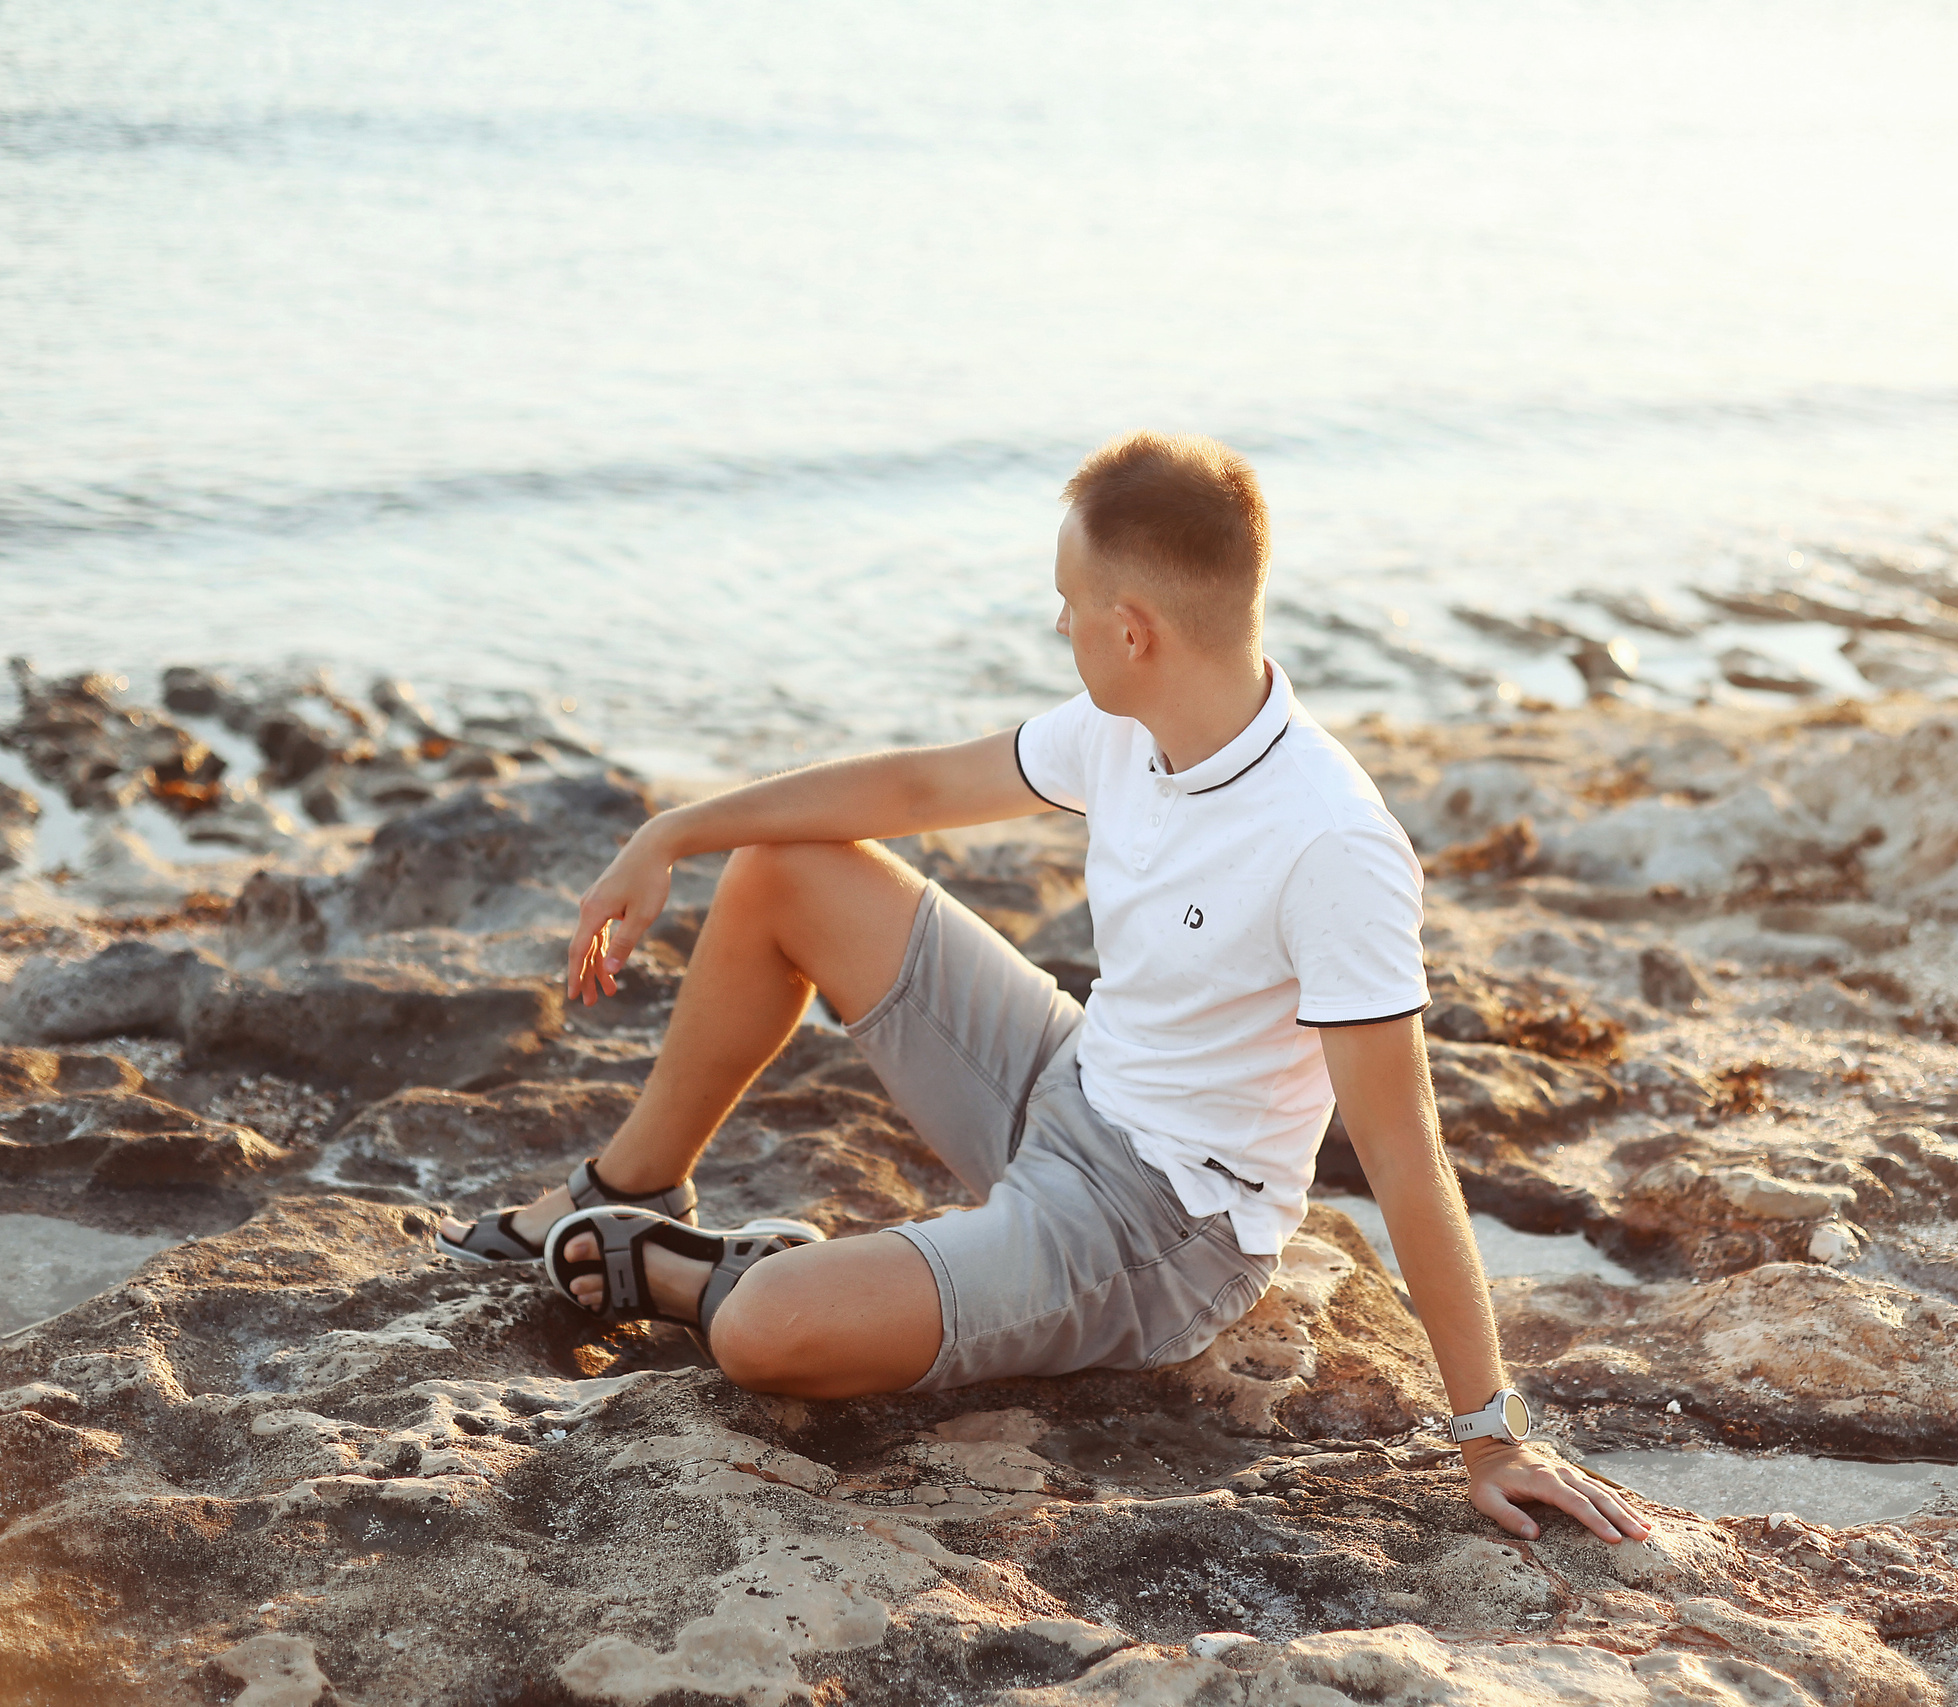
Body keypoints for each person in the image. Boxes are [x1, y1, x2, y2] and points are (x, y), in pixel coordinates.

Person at [436, 432, 1650, 1545]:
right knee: (779, 871)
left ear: (1132, 629)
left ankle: (710, 1272)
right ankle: (627, 1185)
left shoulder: (1329, 844)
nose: (1056, 626)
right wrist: (676, 830)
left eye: (1065, 607)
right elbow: (911, 792)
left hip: (1156, 1231)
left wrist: (1489, 1434)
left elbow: (1404, 1147)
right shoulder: (1131, 727)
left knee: (763, 1334)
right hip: (1068, 1078)